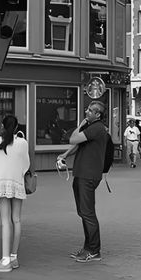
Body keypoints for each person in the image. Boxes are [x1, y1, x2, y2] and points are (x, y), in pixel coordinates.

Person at [59, 101, 109, 263]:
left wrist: (80, 125)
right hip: (82, 174)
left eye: (90, 110)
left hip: (88, 175)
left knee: (87, 213)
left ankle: (94, 250)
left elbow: (73, 138)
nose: (86, 112)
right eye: (87, 109)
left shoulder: (96, 128)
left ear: (98, 115)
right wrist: (65, 155)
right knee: (83, 212)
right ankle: (88, 247)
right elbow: (78, 145)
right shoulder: (92, 128)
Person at [0, 115, 29, 272]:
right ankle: (13, 257)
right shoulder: (22, 143)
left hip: (1, 182)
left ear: (2, 126)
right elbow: (26, 164)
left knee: (5, 221)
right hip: (17, 182)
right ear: (17, 127)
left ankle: (4, 261)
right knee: (16, 220)